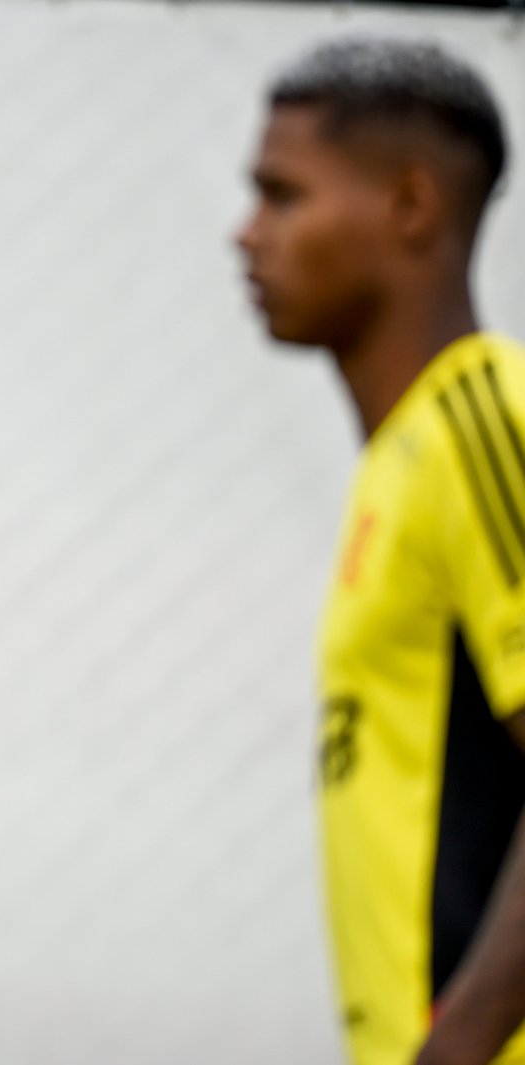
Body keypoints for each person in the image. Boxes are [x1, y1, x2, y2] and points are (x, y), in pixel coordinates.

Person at [238, 37, 525, 1065]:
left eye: (282, 195)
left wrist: (456, 1048)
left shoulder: (483, 419)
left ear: (410, 204)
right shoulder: (401, 461)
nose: (246, 232)